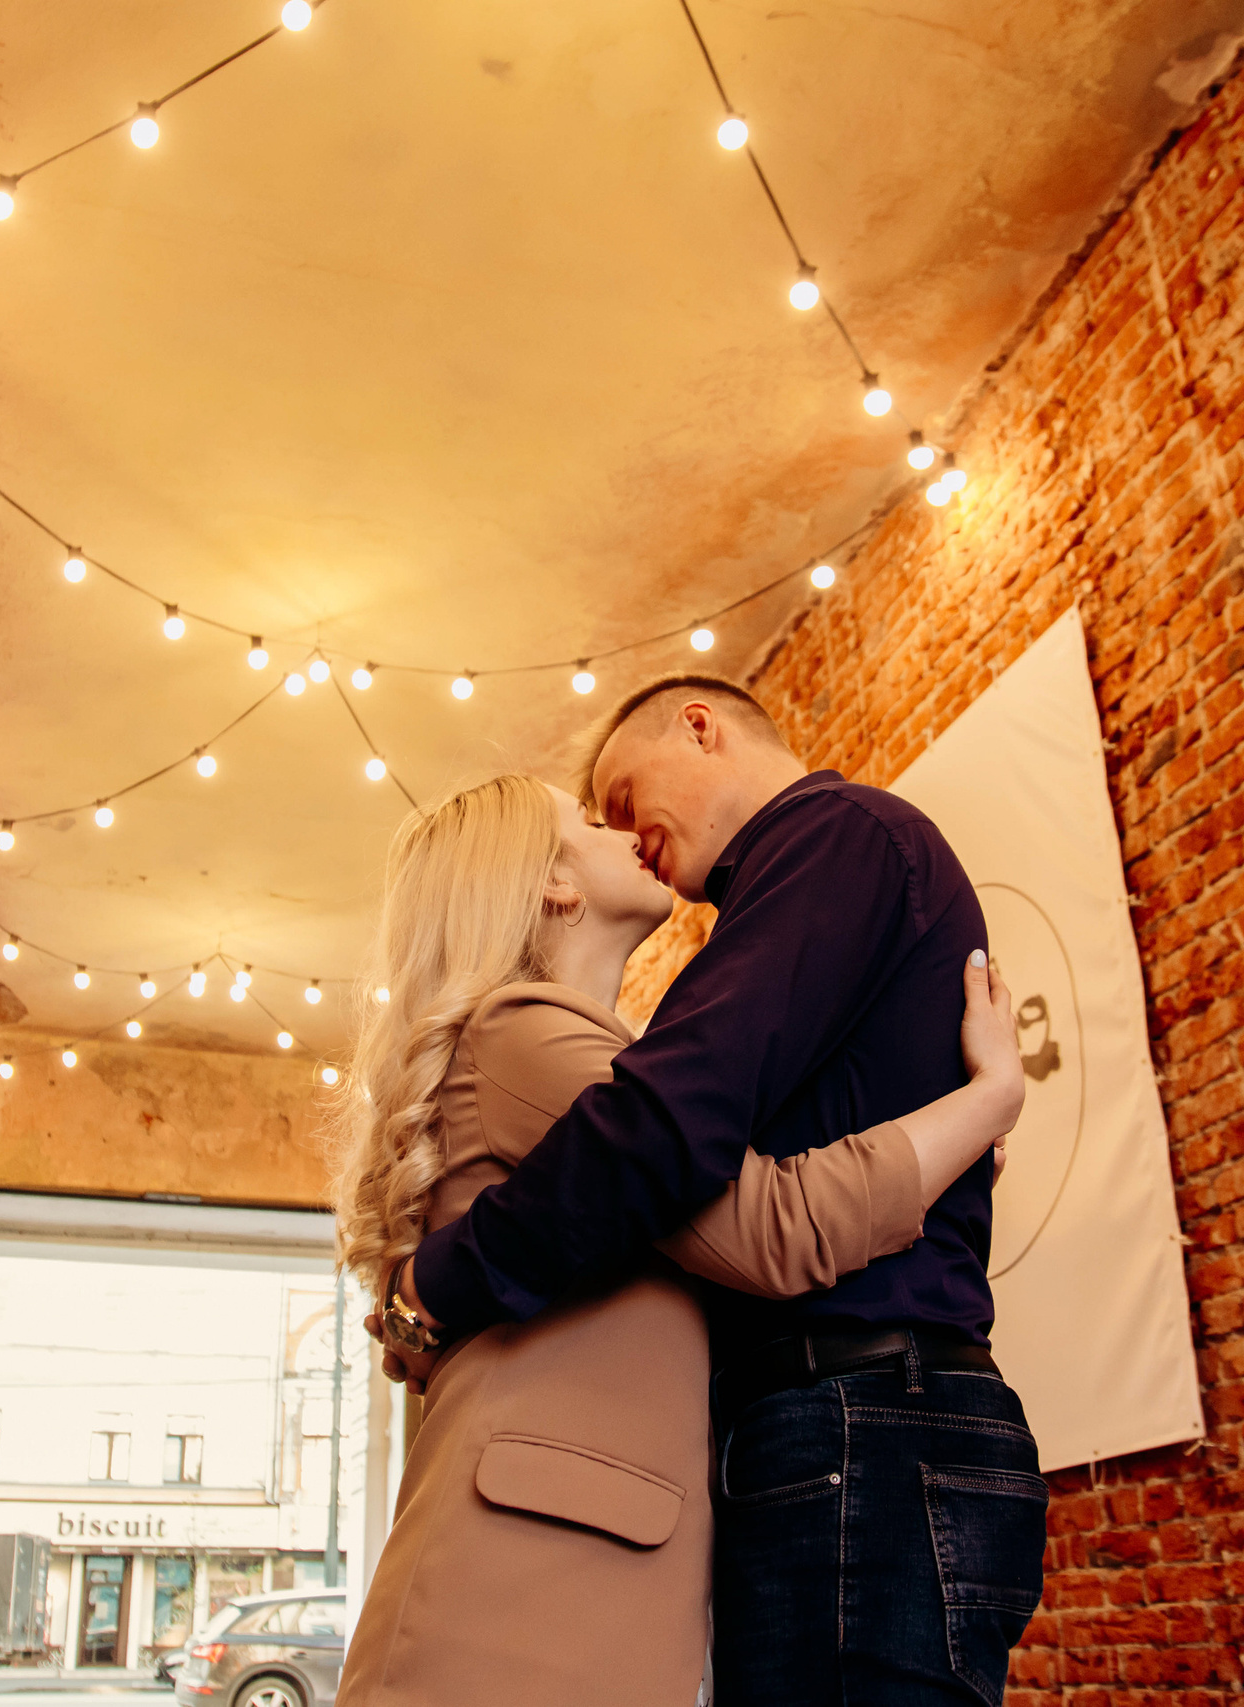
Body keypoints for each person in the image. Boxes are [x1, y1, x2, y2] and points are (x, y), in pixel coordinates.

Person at [386, 675, 1049, 1705]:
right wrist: (973, 1117)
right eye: (591, 823)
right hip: (840, 1419)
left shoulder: (833, 835)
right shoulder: (550, 1027)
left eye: (618, 797)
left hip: (860, 1410)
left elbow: (660, 1139)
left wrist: (440, 1283)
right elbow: (682, 1157)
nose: (622, 831)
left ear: (699, 728)